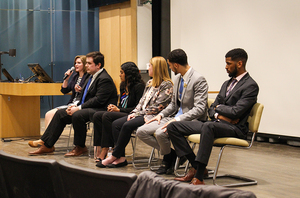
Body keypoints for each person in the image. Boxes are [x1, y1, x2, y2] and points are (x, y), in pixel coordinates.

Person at [168, 48, 259, 185]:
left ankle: (198, 177)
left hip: (235, 128)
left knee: (209, 126)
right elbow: (212, 107)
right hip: (216, 123)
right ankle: (196, 165)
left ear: (239, 64)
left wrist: (219, 109)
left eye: (229, 64)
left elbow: (236, 112)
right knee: (173, 126)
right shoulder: (226, 84)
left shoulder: (250, 86)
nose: (226, 67)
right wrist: (218, 113)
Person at [28, 51, 118, 156]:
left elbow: (98, 100)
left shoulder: (104, 79)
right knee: (61, 113)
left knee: (77, 115)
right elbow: (83, 95)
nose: (86, 66)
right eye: (86, 63)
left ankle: (80, 147)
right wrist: (74, 105)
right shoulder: (91, 76)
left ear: (98, 65)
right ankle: (47, 145)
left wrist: (79, 108)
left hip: (101, 109)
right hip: (89, 107)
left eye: (89, 63)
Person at [136, 49, 208, 175]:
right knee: (141, 131)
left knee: (160, 133)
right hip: (174, 117)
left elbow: (200, 108)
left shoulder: (198, 79)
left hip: (191, 120)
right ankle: (174, 154)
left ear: (176, 65)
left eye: (169, 65)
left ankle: (168, 159)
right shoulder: (178, 79)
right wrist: (160, 115)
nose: (169, 67)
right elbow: (174, 105)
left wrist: (177, 120)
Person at [96, 56, 173, 168]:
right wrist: (134, 112)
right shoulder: (150, 82)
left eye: (150, 66)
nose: (148, 68)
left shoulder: (167, 84)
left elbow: (157, 107)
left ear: (156, 68)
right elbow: (141, 102)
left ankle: (114, 155)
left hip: (153, 116)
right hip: (142, 114)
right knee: (116, 124)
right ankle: (121, 157)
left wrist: (136, 114)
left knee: (127, 125)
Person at [28, 55, 90, 148]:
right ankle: (47, 142)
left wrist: (81, 90)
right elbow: (64, 90)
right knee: (48, 114)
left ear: (84, 64)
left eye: (79, 63)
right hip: (72, 103)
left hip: (79, 104)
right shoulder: (75, 76)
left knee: (56, 114)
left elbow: (89, 92)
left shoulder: (88, 77)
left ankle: (46, 142)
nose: (76, 65)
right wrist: (66, 79)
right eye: (75, 63)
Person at [93, 62, 145, 162]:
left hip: (133, 114)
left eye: (122, 72)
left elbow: (138, 108)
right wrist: (114, 107)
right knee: (97, 115)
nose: (119, 75)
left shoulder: (139, 87)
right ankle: (102, 147)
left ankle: (108, 150)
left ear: (129, 74)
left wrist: (119, 110)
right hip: (123, 112)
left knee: (107, 116)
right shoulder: (123, 85)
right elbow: (121, 104)